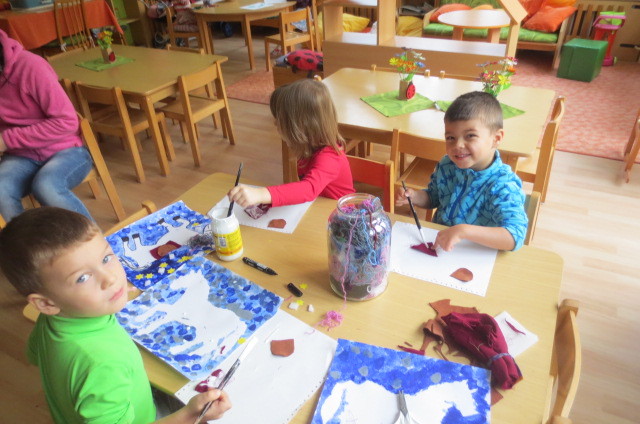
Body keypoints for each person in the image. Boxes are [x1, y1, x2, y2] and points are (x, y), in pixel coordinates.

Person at [0, 207, 232, 424]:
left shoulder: (52, 318)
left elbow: (34, 355)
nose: (110, 279)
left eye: (106, 259)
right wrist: (191, 415)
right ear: (46, 303)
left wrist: (112, 296)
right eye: (82, 278)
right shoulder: (101, 363)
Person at [396, 91, 527, 252]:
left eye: (470, 136)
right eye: (450, 138)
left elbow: (514, 236)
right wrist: (414, 196)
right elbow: (434, 197)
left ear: (496, 138)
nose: (458, 145)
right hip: (441, 248)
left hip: (475, 256)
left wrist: (463, 231)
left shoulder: (503, 184)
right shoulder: (447, 164)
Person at [0, 29, 93, 223]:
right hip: (21, 156)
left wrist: (7, 140)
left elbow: (66, 121)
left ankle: (95, 241)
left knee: (46, 186)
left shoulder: (31, 66)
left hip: (66, 150)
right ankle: (31, 241)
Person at [228, 79, 354, 208]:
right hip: (316, 208)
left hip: (342, 216)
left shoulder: (330, 157)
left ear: (300, 126)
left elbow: (308, 188)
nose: (275, 124)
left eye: (280, 120)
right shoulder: (309, 147)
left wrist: (260, 194)